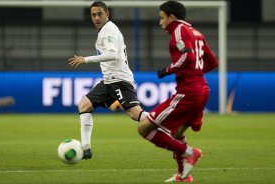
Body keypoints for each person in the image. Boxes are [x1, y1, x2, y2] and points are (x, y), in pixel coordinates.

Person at [137, 1, 218, 182]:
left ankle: (190, 152)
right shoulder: (196, 32)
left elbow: (187, 56)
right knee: (176, 135)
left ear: (171, 17)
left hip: (189, 91)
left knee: (144, 128)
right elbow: (212, 62)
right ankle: (183, 176)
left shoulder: (179, 30)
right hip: (202, 90)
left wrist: (168, 69)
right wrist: (195, 74)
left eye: (162, 18)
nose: (160, 23)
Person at [68, 1, 148, 160]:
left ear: (107, 14)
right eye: (93, 15)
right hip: (109, 81)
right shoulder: (106, 30)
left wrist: (85, 59)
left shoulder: (108, 31)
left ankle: (166, 121)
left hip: (119, 80)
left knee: (135, 114)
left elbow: (112, 54)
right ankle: (86, 149)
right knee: (84, 105)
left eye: (100, 14)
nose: (96, 18)